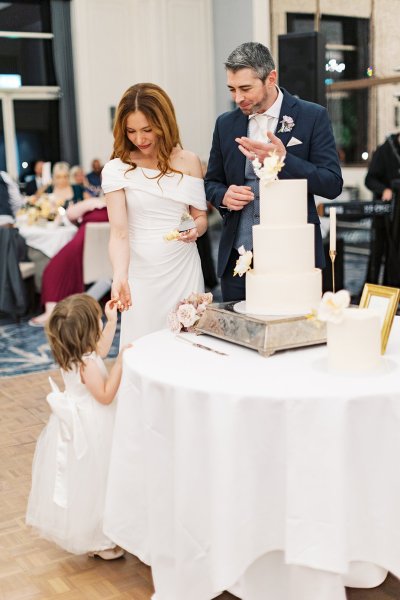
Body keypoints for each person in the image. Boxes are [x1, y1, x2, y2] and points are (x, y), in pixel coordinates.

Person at [205, 42, 343, 301]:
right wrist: (223, 196)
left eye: (246, 88)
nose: (238, 98)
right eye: (232, 89)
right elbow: (211, 181)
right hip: (238, 259)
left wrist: (284, 159)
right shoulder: (225, 124)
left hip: (294, 260)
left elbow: (332, 184)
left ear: (271, 78)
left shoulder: (312, 116)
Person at [102, 83, 208, 345]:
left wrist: (196, 229)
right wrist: (120, 276)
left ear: (164, 123)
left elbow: (201, 218)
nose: (140, 138)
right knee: (143, 345)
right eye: (132, 131)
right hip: (142, 273)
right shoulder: (117, 169)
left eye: (147, 129)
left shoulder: (189, 161)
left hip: (183, 267)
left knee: (187, 345)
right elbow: (119, 233)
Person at [26, 293, 129, 559]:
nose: (99, 322)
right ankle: (100, 540)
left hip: (79, 422)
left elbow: (100, 350)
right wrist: (121, 364)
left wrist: (110, 321)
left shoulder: (74, 355)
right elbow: (105, 395)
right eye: (96, 320)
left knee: (87, 479)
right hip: (93, 425)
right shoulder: (87, 365)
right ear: (86, 332)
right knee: (97, 479)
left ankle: (96, 534)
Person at [28, 194, 108, 325]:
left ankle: (52, 310)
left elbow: (70, 215)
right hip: (105, 255)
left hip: (80, 247)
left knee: (52, 269)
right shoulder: (120, 208)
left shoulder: (94, 203)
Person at [364, 132, 400, 284]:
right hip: (383, 215)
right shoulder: (385, 150)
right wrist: (384, 190)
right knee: (378, 253)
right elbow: (369, 179)